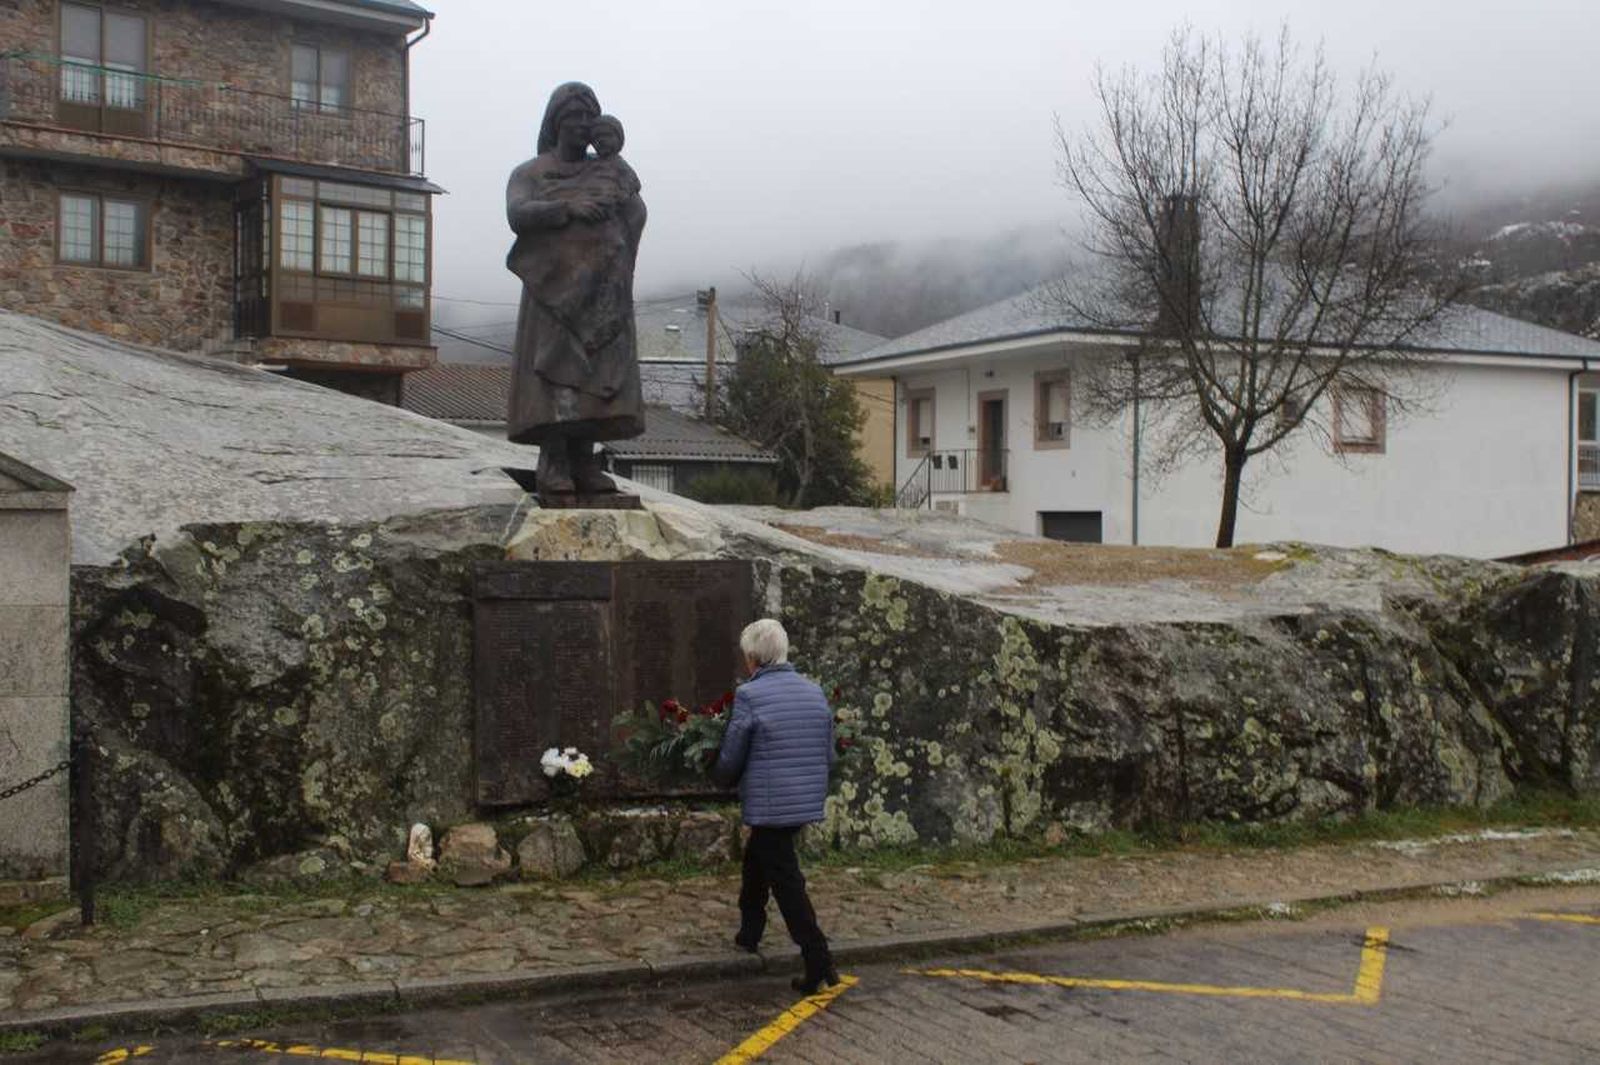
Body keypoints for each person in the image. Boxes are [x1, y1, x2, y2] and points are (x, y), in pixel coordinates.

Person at [504, 82, 647, 496]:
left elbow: (635, 209)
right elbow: (517, 214)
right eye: (574, 118)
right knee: (555, 379)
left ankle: (585, 458)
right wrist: (568, 209)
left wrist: (616, 243)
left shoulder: (606, 170)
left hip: (600, 292)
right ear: (556, 121)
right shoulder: (530, 172)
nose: (582, 126)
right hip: (552, 294)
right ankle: (554, 458)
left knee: (597, 377)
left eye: (589, 118)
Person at [713, 618, 839, 994]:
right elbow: (829, 754)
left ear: (753, 658)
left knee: (787, 882)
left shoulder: (751, 696)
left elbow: (733, 755)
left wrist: (716, 774)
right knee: (757, 860)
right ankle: (749, 931)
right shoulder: (814, 692)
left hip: (771, 803)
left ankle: (818, 958)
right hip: (802, 799)